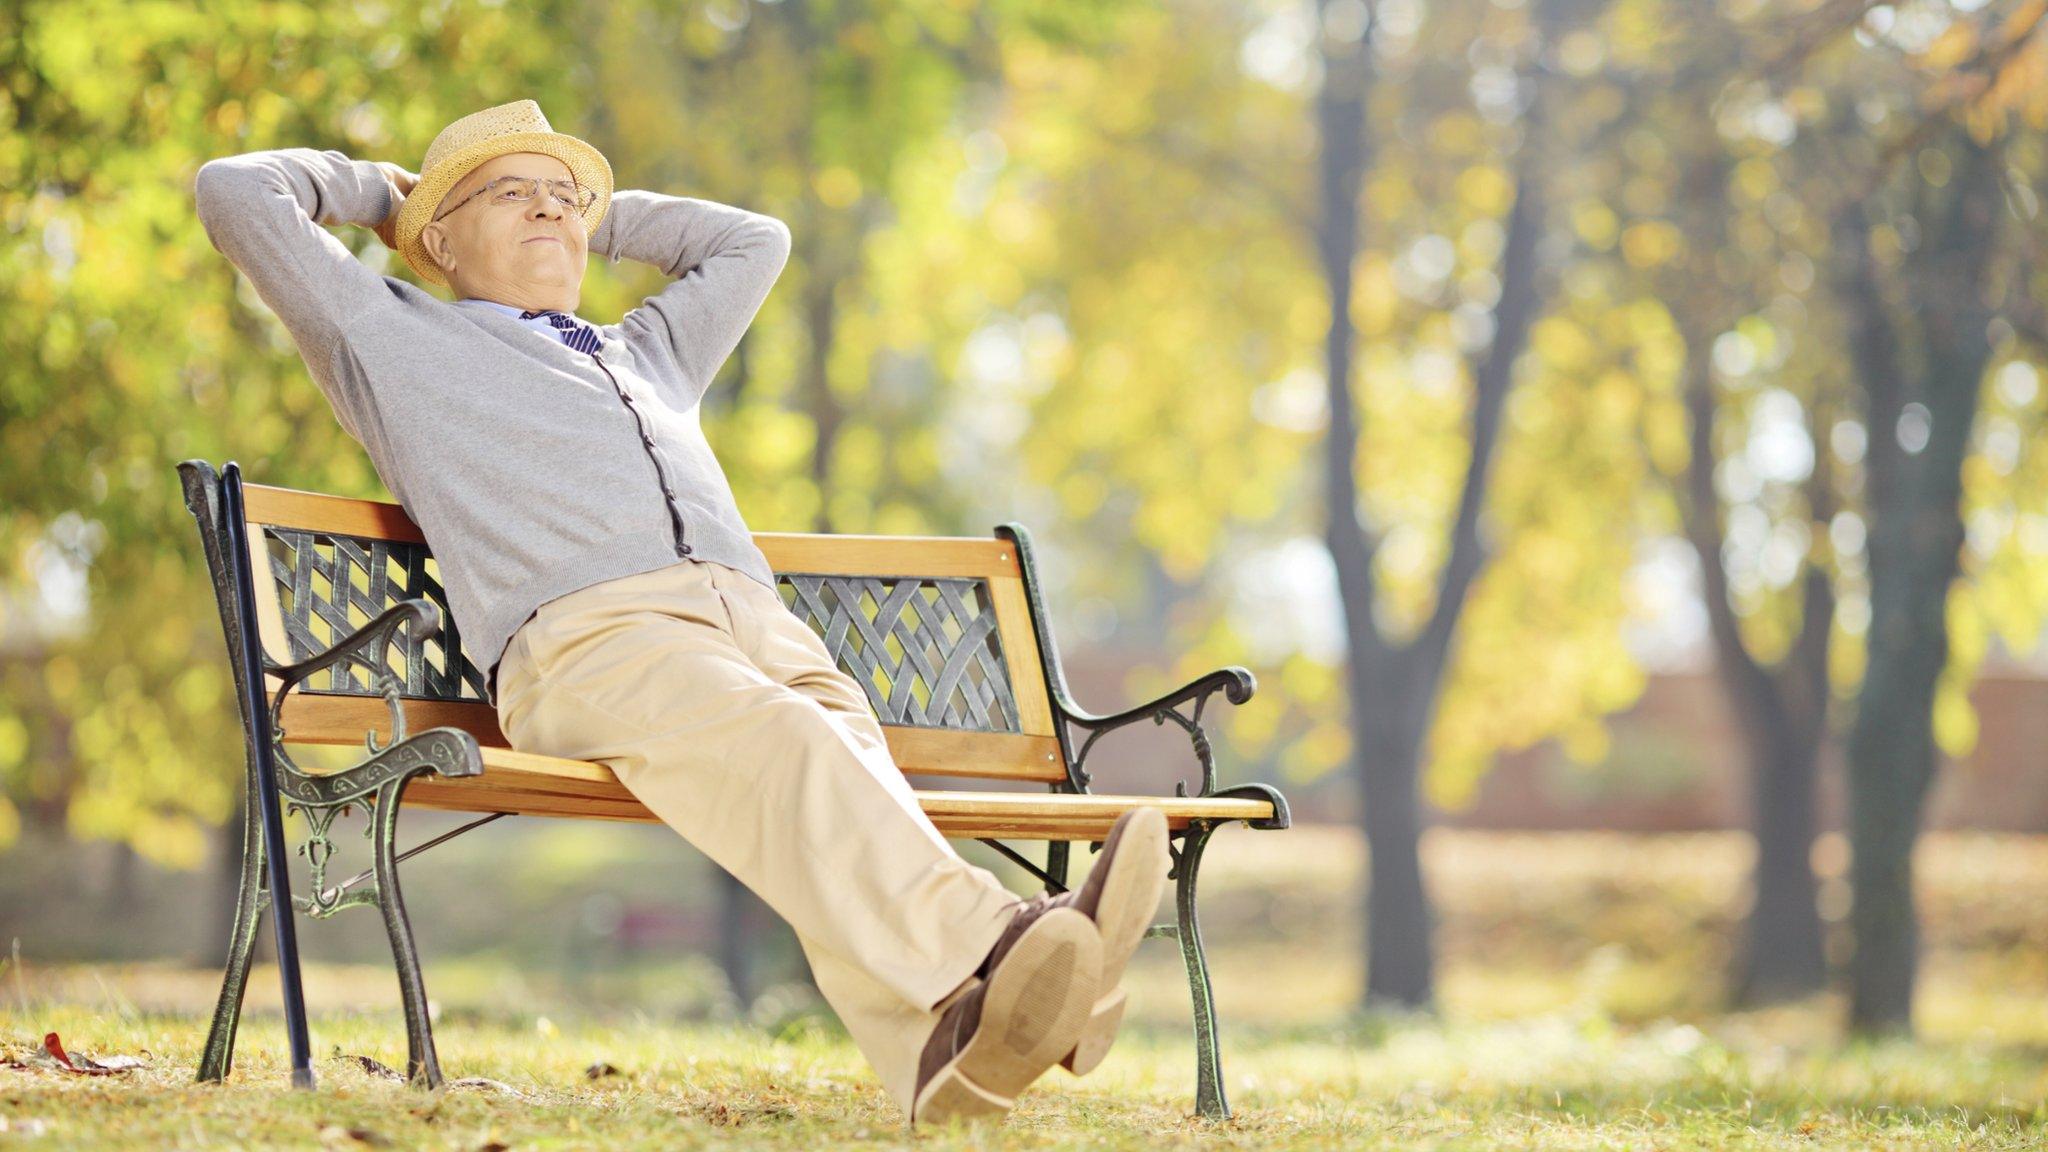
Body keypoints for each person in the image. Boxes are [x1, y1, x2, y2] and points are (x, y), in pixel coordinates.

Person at [192, 98, 1169, 1125]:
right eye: (509, 194)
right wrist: (385, 194)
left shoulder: (645, 352)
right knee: (791, 745)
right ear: (438, 235)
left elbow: (752, 242)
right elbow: (234, 192)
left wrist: (593, 212)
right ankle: (1017, 945)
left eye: (563, 198)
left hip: (755, 624)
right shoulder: (385, 333)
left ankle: (951, 1048)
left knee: (841, 768)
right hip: (588, 639)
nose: (549, 214)